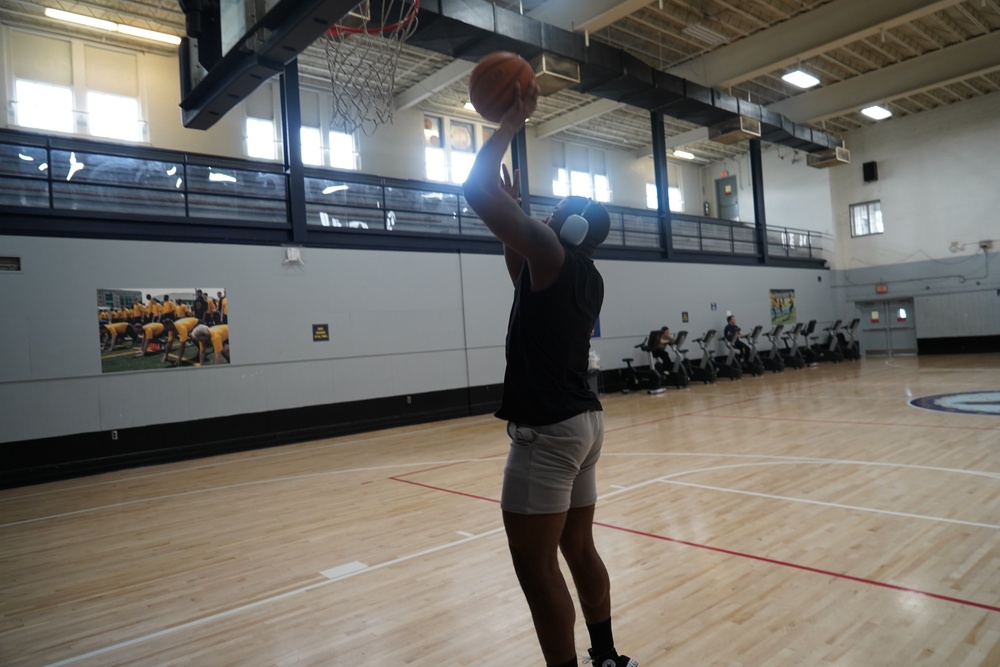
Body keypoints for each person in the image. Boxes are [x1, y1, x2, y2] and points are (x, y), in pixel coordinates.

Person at [463, 79, 636, 667]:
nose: (547, 213)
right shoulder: (582, 273)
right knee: (579, 549)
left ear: (568, 231)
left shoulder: (556, 255)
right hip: (585, 424)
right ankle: (607, 657)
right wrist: (517, 215)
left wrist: (510, 126)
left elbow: (473, 189)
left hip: (548, 432)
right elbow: (518, 270)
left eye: (555, 213)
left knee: (537, 574)